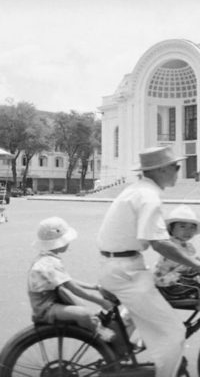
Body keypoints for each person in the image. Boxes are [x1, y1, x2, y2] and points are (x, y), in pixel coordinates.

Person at [97, 146, 200, 377]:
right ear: (162, 169)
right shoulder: (148, 197)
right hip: (126, 273)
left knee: (153, 320)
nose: (178, 171)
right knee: (173, 334)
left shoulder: (137, 190)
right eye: (176, 167)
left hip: (123, 266)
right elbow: (161, 244)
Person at [28, 217, 115, 341]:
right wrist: (101, 302)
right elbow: (72, 287)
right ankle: (98, 334)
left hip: (52, 302)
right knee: (84, 314)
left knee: (81, 307)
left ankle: (94, 328)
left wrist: (94, 287)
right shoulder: (49, 263)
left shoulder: (46, 259)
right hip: (46, 309)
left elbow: (66, 280)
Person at [154, 205, 200, 301]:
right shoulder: (171, 245)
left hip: (179, 278)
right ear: (171, 228)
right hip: (169, 282)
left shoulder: (187, 246)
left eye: (192, 227)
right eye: (182, 226)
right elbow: (188, 265)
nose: (188, 231)